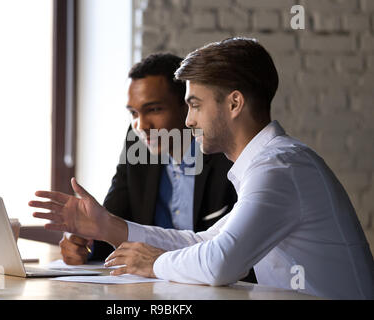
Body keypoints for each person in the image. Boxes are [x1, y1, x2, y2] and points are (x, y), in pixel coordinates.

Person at [29, 38, 374, 299]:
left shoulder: (279, 167)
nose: (189, 119)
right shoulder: (269, 164)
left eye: (195, 105)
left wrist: (153, 262)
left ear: (234, 103)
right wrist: (110, 225)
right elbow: (204, 240)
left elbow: (220, 262)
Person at [58, 53, 257, 282]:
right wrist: (84, 243)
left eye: (154, 110)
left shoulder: (226, 153)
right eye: (134, 113)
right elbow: (113, 223)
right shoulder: (138, 146)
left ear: (188, 106)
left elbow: (239, 254)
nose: (141, 126)